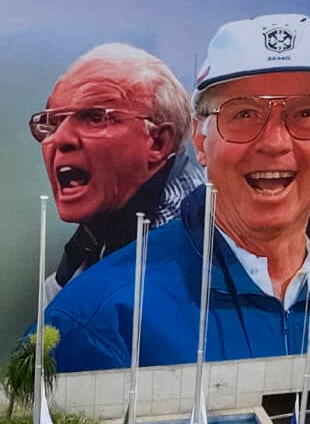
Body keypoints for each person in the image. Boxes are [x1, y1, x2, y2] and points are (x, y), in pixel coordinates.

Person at [44, 14, 310, 372]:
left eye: (306, 113)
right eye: (243, 113)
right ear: (201, 141)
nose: (274, 143)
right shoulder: (98, 321)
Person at [30, 44, 203, 304]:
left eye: (96, 118)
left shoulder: (201, 257)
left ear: (157, 142)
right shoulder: (79, 261)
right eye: (52, 123)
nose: (59, 139)